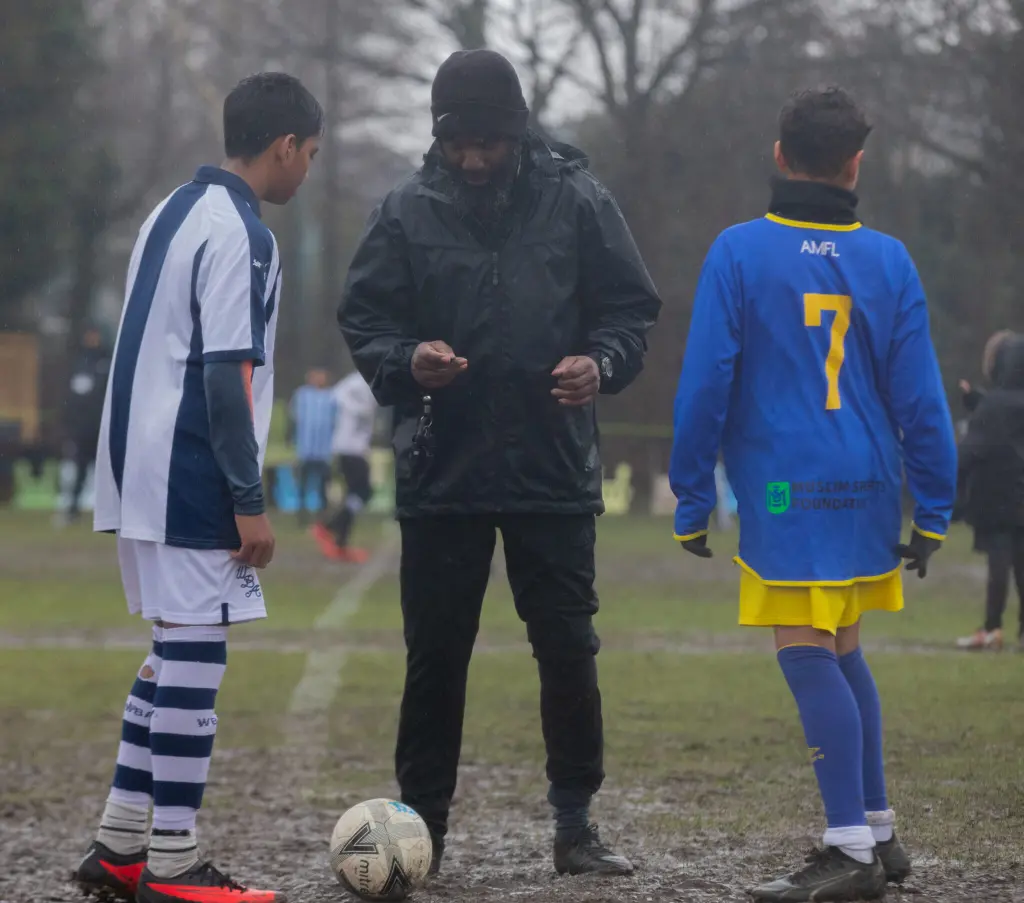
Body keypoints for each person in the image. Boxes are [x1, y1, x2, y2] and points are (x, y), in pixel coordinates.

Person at [339, 49, 661, 878]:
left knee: (567, 647)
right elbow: (366, 319)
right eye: (460, 145)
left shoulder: (579, 199)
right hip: (441, 470)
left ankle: (576, 825)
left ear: (516, 133)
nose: (474, 159)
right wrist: (408, 361)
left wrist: (602, 362)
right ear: (440, 139)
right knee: (435, 655)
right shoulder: (405, 212)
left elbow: (630, 309)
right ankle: (425, 829)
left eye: (488, 143)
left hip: (551, 470)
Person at [669, 87, 957, 902]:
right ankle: (878, 825)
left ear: (777, 153)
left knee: (805, 652)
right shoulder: (891, 259)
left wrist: (692, 494)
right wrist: (932, 505)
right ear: (855, 163)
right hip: (868, 484)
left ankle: (850, 850)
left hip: (789, 489)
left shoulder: (737, 251)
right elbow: (921, 397)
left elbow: (705, 384)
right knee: (843, 650)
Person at [73, 73, 322, 903]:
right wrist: (247, 497)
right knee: (196, 653)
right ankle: (173, 862)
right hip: (189, 471)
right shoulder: (242, 232)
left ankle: (117, 846)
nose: (308, 172)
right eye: (311, 155)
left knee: (170, 650)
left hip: (135, 468)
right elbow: (226, 372)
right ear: (285, 145)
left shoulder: (170, 209)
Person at [957, 332, 1024, 652]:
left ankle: (992, 627)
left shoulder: (993, 406)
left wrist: (951, 488)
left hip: (996, 499)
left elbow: (973, 448)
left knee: (999, 565)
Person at [312, 369, 377, 563]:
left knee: (356, 494)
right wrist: (358, 408)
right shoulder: (357, 381)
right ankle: (328, 527)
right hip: (349, 447)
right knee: (362, 492)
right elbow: (336, 395)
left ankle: (339, 540)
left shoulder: (369, 381)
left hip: (356, 447)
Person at [64, 325, 112, 522]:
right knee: (80, 470)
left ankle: (110, 513)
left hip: (103, 427)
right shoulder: (79, 363)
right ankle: (72, 510)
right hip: (83, 430)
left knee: (107, 472)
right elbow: (71, 398)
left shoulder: (107, 361)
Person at [289, 367, 337, 526]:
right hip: (305, 449)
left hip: (324, 450)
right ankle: (301, 517)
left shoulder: (331, 396)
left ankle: (322, 518)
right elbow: (294, 418)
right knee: (303, 484)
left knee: (323, 485)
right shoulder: (302, 395)